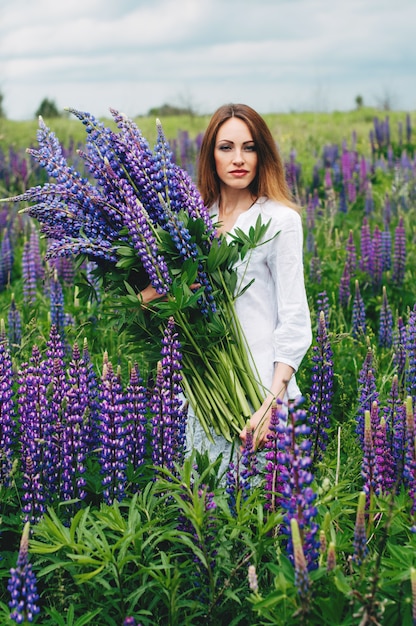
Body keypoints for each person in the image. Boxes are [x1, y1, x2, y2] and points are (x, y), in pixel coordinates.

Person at [141, 103, 312, 467]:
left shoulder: (280, 220)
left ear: (262, 153)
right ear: (210, 156)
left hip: (263, 395)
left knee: (266, 515)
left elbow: (295, 320)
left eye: (249, 147)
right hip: (205, 395)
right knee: (206, 518)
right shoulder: (188, 222)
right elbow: (154, 298)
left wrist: (271, 404)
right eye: (226, 147)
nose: (239, 158)